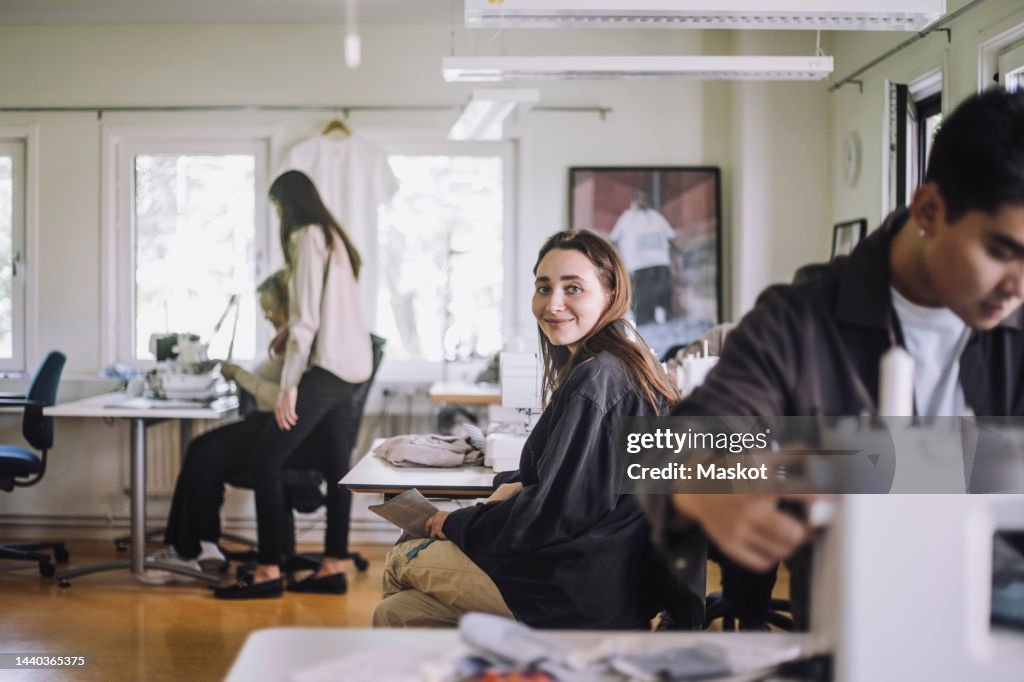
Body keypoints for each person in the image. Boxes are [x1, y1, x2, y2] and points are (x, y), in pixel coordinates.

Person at [646, 87, 1024, 629]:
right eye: (1001, 252)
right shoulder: (800, 322)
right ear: (929, 209)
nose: (1017, 287)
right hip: (854, 636)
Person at [373, 229, 678, 628]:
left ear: (610, 293)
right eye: (543, 287)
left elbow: (552, 515)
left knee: (402, 557)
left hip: (576, 587)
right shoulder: (623, 365)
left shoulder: (596, 381)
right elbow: (583, 479)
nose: (553, 304)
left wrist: (456, 522)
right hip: (609, 580)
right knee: (398, 614)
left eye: (573, 288)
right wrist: (519, 483)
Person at [213, 169, 374, 599]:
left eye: (277, 206)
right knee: (337, 470)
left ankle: (268, 571)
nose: (278, 215)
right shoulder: (334, 237)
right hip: (353, 368)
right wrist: (291, 335)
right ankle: (332, 566)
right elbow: (329, 312)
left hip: (325, 368)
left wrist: (289, 385)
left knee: (266, 461)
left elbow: (305, 319)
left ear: (287, 204)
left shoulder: (305, 236)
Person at [142, 270, 290, 584]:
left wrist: (239, 375)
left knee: (201, 454)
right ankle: (202, 545)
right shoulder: (286, 338)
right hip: (266, 424)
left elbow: (279, 397)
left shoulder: (297, 342)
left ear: (287, 303)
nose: (266, 314)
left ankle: (187, 550)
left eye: (270, 307)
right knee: (201, 452)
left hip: (274, 427)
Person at [610, 189, 676, 325]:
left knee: (661, 287)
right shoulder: (627, 217)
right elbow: (614, 238)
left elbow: (670, 236)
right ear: (634, 200)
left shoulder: (655, 215)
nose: (643, 200)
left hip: (659, 260)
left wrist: (677, 256)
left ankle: (661, 314)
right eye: (640, 198)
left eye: (645, 198)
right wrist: (620, 260)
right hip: (637, 263)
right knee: (640, 291)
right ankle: (641, 318)